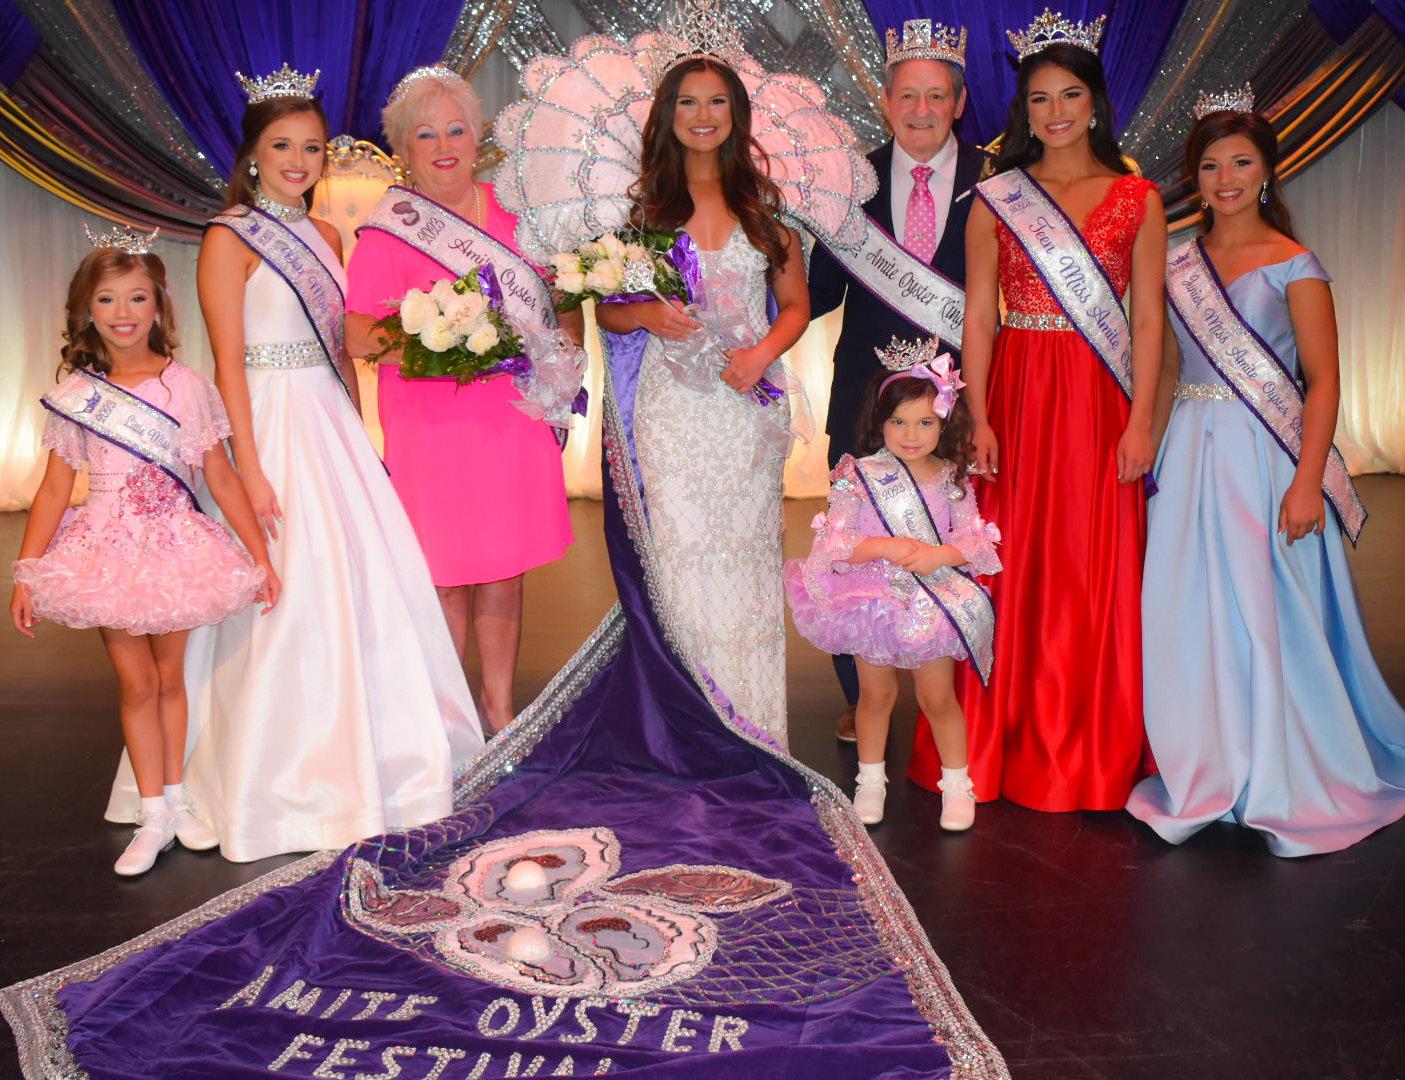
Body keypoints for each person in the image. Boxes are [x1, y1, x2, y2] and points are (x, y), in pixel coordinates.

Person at [102, 65, 482, 862]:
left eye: (312, 148)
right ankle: (249, 782)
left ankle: (372, 763)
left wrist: (361, 429)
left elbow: (340, 346)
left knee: (359, 585)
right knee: (278, 590)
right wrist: (247, 467)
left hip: (329, 421)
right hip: (266, 423)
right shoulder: (228, 237)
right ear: (253, 154)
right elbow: (228, 362)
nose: (299, 161)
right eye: (283, 146)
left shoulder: (328, 237)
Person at [1126, 93, 1405, 856]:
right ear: (1193, 177)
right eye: (1209, 166)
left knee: (1266, 608)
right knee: (1189, 606)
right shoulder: (1177, 264)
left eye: (1240, 163)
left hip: (1264, 456)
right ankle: (1209, 758)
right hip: (1190, 452)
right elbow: (1169, 368)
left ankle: (1282, 767)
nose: (1225, 179)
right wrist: (1146, 440)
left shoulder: (1294, 264)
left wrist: (1306, 479)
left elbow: (1323, 380)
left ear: (1266, 171)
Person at [919, 13, 1166, 811]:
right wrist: (977, 416)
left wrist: (1142, 422)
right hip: (1018, 391)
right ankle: (1001, 739)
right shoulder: (997, 198)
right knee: (1012, 559)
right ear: (1022, 111)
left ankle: (1091, 748)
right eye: (1038, 99)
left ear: (1094, 103)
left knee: (1092, 564)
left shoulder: (1138, 198)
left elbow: (1149, 320)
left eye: (1068, 95)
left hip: (1099, 397)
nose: (1054, 112)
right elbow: (978, 318)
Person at [10, 238, 277, 876]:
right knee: (136, 685)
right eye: (106, 300)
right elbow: (54, 487)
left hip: (175, 545)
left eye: (136, 298)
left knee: (171, 679)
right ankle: (151, 814)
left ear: (159, 306)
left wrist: (260, 556)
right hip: (108, 550)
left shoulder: (188, 387)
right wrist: (26, 572)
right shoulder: (78, 394)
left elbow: (220, 474)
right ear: (87, 310)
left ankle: (178, 803)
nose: (123, 312)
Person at [346, 67, 573, 732]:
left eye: (456, 129)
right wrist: (445, 345)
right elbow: (358, 335)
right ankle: (447, 722)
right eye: (425, 134)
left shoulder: (516, 214)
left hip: (510, 419)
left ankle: (498, 707)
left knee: (504, 570)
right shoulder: (389, 230)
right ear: (404, 150)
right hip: (429, 426)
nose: (443, 145)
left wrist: (560, 354)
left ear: (477, 138)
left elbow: (558, 303)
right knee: (443, 574)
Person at [593, 55, 810, 742]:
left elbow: (795, 306)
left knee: (747, 558)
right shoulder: (641, 214)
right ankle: (686, 733)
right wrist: (645, 315)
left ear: (735, 115)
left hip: (745, 405)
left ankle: (755, 729)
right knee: (679, 560)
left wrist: (760, 355)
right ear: (668, 115)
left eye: (717, 102)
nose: (703, 116)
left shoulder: (765, 213)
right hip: (673, 411)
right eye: (688, 102)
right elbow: (606, 310)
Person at [808, 20, 985, 740]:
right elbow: (818, 290)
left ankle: (963, 699)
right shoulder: (851, 181)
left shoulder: (997, 182)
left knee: (956, 534)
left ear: (960, 102)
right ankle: (864, 696)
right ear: (884, 101)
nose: (921, 110)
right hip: (865, 398)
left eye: (936, 95)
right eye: (907, 95)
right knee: (855, 541)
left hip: (959, 398)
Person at [786, 344, 999, 828]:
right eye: (899, 421)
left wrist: (940, 555)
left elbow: (975, 540)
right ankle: (870, 782)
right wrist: (884, 546)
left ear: (945, 422)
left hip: (932, 604)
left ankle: (957, 786)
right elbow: (835, 543)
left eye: (925, 422)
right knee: (876, 697)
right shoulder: (858, 475)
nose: (911, 434)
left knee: (937, 698)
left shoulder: (951, 477)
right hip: (873, 601)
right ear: (879, 422)